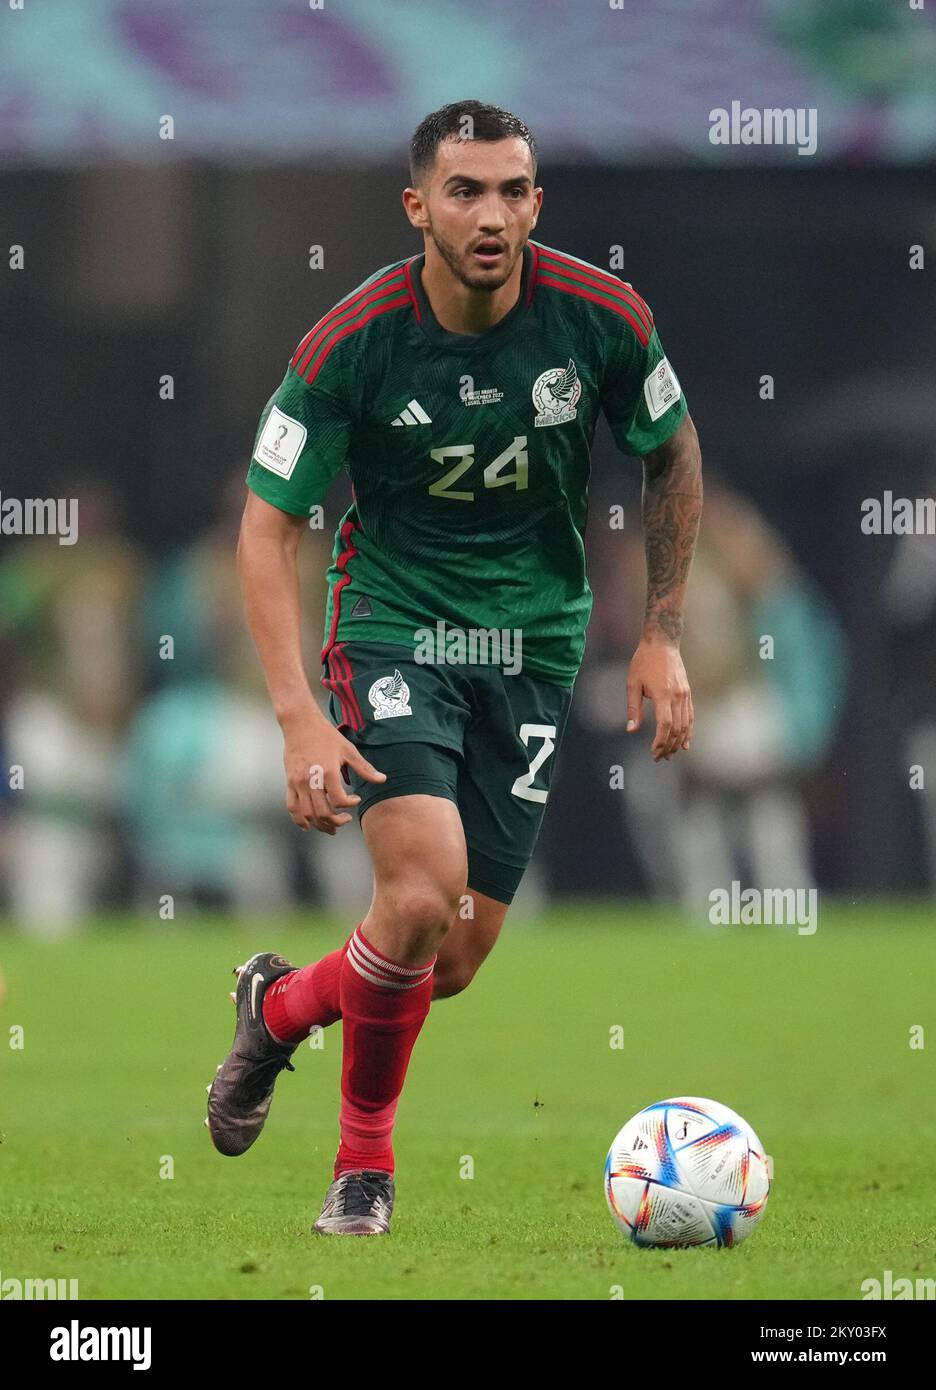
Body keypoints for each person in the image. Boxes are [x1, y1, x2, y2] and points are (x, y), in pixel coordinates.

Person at [207, 100, 703, 1235]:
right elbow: (267, 523)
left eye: (514, 190)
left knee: (452, 954)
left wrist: (663, 629)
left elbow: (671, 453)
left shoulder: (600, 317)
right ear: (416, 205)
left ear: (538, 201)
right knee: (420, 886)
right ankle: (362, 1169)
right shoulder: (352, 342)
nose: (493, 215)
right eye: (467, 191)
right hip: (397, 625)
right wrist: (296, 715)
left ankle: (279, 1006)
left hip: (533, 640)